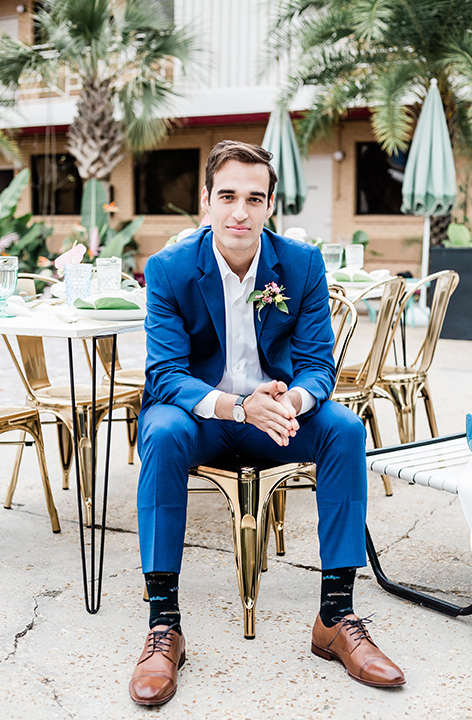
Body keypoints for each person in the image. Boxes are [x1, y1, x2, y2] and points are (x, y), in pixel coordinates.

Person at [129, 141, 405, 706]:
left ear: (271, 205)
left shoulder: (299, 264)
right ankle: (164, 626)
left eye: (254, 198)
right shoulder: (169, 269)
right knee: (159, 429)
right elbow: (164, 374)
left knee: (346, 430)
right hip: (200, 418)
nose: (239, 212)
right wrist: (235, 405)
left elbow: (318, 364)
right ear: (205, 201)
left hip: (275, 418)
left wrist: (294, 402)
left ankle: (336, 616)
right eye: (227, 196)